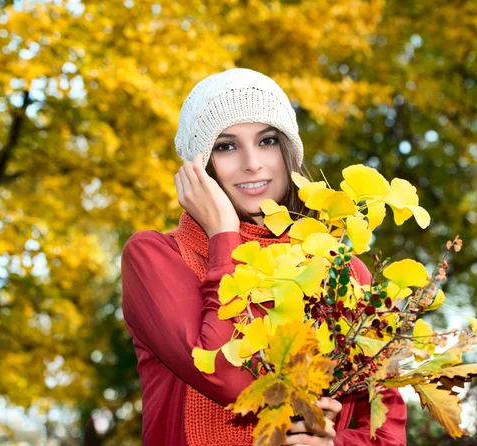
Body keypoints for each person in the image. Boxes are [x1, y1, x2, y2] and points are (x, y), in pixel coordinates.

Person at [121, 68, 407, 446]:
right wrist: (223, 236)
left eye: (267, 140)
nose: (252, 163)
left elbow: (386, 429)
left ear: (288, 151)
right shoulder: (155, 256)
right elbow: (225, 374)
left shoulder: (340, 269)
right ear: (198, 169)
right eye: (225, 146)